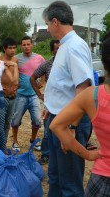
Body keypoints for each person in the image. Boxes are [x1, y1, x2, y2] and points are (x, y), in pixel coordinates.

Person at [42, 1, 94, 197]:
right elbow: (64, 85)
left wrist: (71, 128)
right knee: (55, 176)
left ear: (55, 22)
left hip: (69, 123)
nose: (47, 29)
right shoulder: (64, 46)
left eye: (47, 24)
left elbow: (84, 88)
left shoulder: (74, 47)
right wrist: (50, 106)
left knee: (70, 185)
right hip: (57, 118)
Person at [49, 34, 110, 197]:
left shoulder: (93, 96)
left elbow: (56, 125)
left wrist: (88, 154)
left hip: (103, 179)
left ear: (103, 64)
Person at [11, 36, 45, 152]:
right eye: (24, 45)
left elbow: (45, 70)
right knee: (16, 120)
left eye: (28, 44)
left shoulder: (39, 58)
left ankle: (33, 140)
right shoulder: (16, 59)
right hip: (20, 95)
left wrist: (41, 81)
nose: (26, 47)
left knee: (37, 120)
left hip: (34, 95)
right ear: (21, 46)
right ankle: (15, 141)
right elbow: (9, 72)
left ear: (32, 45)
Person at [30, 39, 60, 165]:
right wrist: (39, 94)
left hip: (67, 105)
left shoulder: (71, 64)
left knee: (63, 130)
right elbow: (32, 78)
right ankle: (46, 154)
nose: (60, 51)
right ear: (52, 51)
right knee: (48, 130)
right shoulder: (47, 65)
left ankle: (59, 155)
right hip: (50, 104)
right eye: (57, 49)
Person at [0, 37, 19, 144]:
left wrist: (16, 87)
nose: (12, 50)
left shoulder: (15, 60)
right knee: (0, 122)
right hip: (2, 96)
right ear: (4, 49)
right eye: (10, 48)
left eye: (14, 48)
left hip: (13, 96)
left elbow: (16, 77)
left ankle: (3, 145)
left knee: (7, 122)